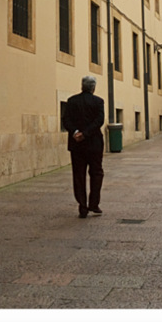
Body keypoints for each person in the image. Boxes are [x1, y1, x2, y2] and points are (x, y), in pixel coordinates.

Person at [62, 75, 106, 218]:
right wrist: (86, 134)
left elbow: (66, 120)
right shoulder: (98, 101)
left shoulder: (71, 101)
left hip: (77, 145)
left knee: (79, 175)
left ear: (82, 86)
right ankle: (94, 204)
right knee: (96, 173)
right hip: (94, 144)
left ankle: (82, 206)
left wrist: (76, 132)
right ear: (93, 88)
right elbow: (99, 121)